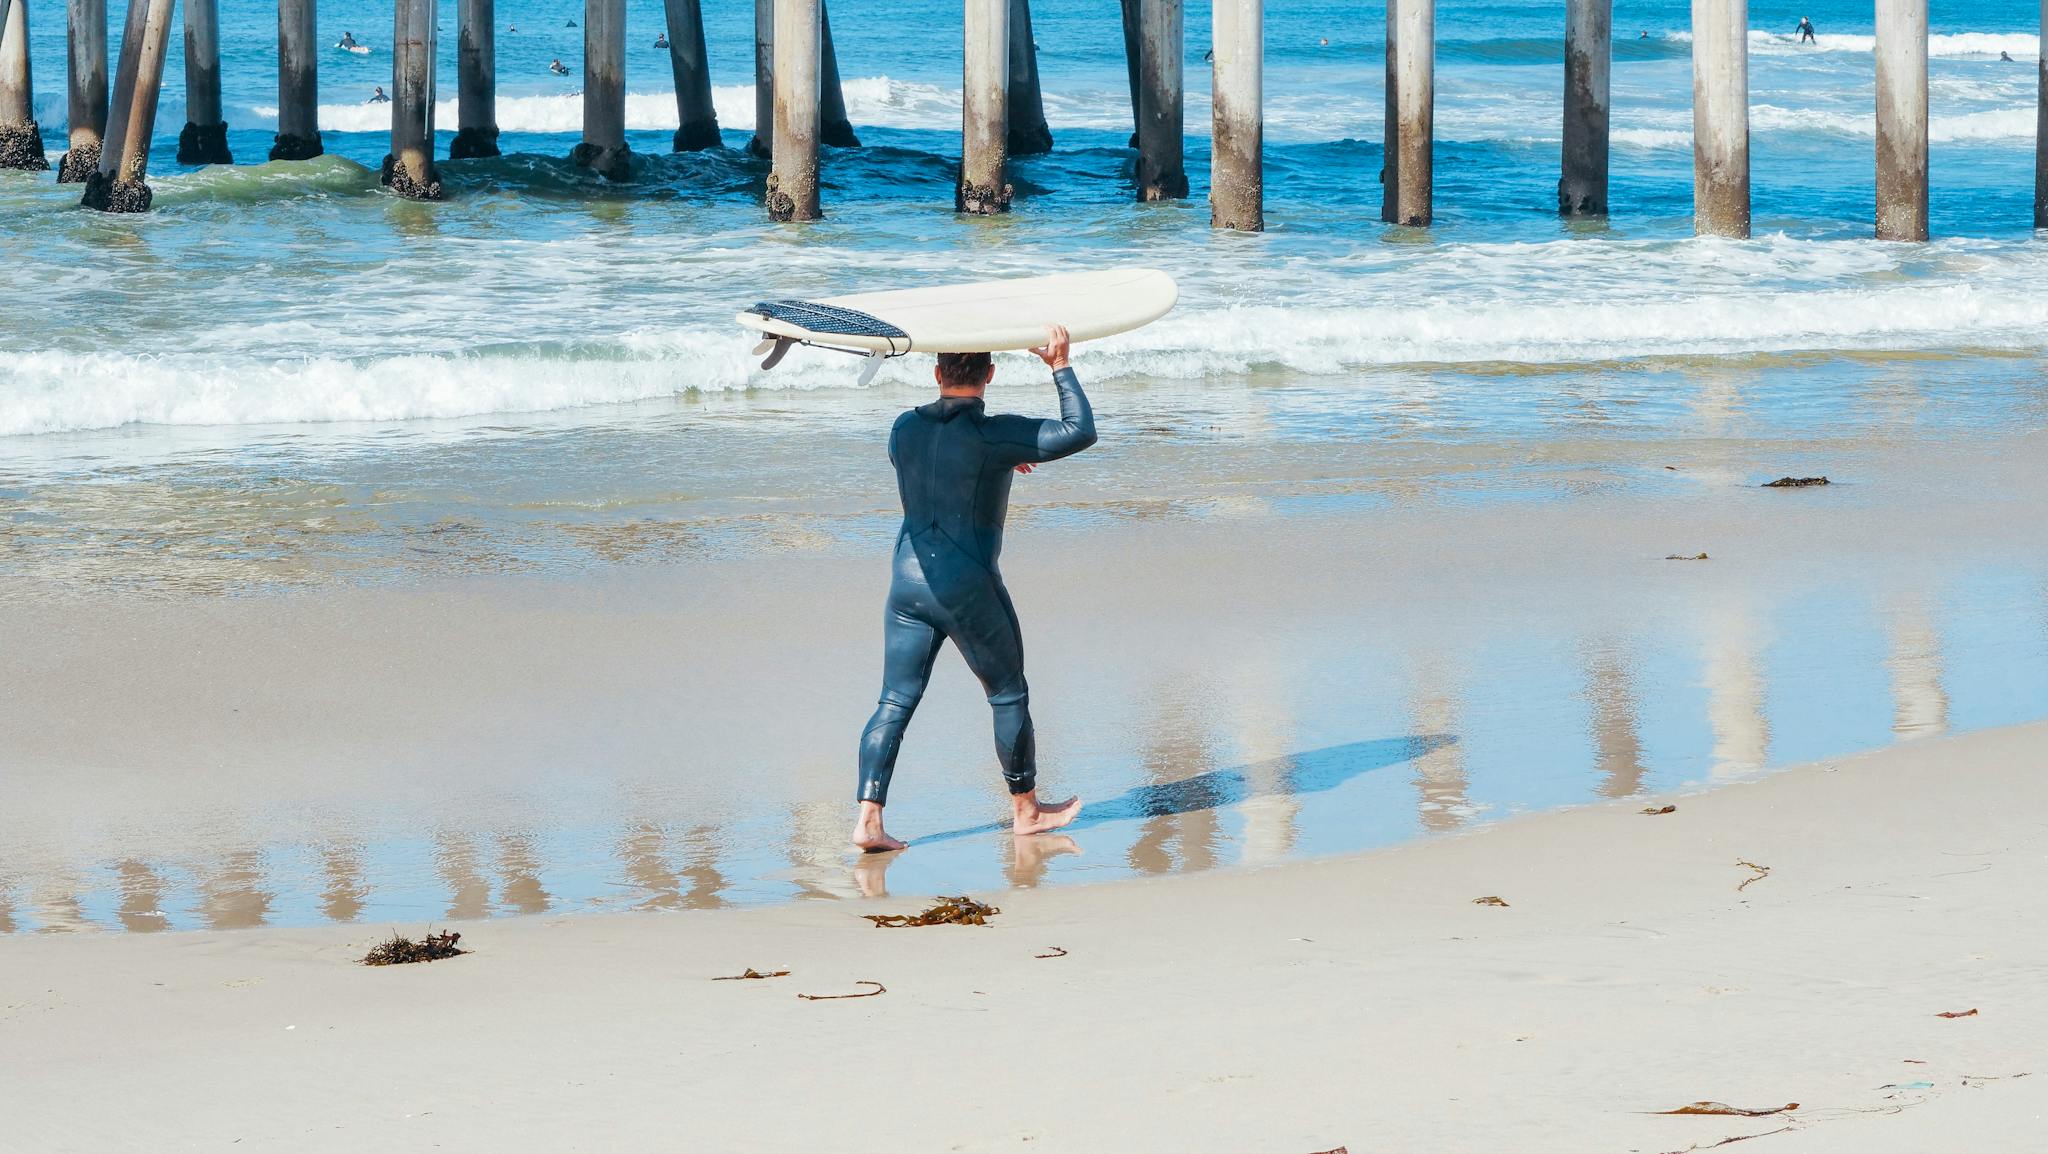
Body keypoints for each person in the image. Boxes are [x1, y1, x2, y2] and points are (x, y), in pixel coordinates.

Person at [852, 326, 1094, 852]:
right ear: (990, 374)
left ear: (937, 373)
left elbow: (931, 471)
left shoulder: (902, 428)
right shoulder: (995, 435)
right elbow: (1079, 430)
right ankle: (1026, 813)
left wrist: (1002, 458)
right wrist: (1059, 365)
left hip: (908, 585)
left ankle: (868, 820)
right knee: (1007, 692)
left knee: (895, 699)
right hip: (967, 589)